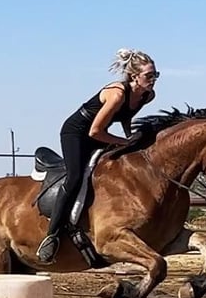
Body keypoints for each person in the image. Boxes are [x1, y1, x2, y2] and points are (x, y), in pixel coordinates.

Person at [36, 48, 159, 263]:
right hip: (76, 132)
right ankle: (52, 235)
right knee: (75, 177)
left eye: (155, 75)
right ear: (134, 77)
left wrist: (131, 137)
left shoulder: (147, 95)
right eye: (149, 76)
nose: (153, 80)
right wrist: (124, 141)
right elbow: (94, 131)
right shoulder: (117, 93)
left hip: (99, 132)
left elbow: (125, 116)